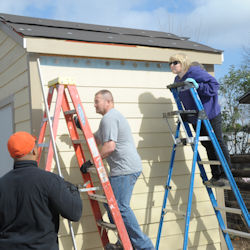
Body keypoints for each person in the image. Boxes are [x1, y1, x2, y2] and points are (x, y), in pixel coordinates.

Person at [92, 90, 154, 250]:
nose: (95, 104)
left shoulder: (110, 118)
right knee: (110, 205)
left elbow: (109, 146)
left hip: (125, 169)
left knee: (120, 206)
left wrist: (92, 162)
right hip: (122, 169)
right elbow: (97, 138)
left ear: (108, 101)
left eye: (97, 101)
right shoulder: (109, 119)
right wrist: (80, 126)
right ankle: (124, 241)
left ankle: (144, 246)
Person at [0, 131, 82, 250]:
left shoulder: (2, 184)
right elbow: (74, 213)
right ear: (34, 151)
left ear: (13, 155)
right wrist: (73, 189)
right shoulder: (50, 180)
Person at [169, 53, 232, 187]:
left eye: (175, 62)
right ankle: (216, 176)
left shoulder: (194, 72)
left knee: (217, 143)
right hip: (196, 117)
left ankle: (226, 175)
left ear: (183, 62)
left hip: (210, 114)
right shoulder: (177, 80)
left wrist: (199, 86)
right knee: (207, 145)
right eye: (170, 63)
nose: (172, 65)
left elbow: (214, 86)